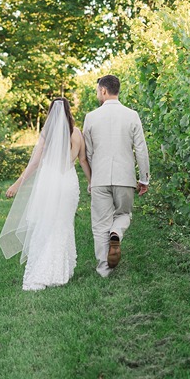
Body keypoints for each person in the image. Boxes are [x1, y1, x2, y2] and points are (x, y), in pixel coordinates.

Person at [0, 97, 91, 291]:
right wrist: (91, 182)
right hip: (68, 183)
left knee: (46, 224)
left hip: (49, 182)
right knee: (63, 224)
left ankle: (44, 272)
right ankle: (60, 271)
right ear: (68, 111)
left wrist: (17, 184)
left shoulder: (47, 134)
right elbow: (82, 160)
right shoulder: (77, 133)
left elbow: (35, 162)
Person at [82, 74, 150, 277]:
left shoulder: (91, 117)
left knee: (100, 223)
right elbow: (141, 149)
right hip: (125, 177)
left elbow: (88, 153)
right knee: (123, 214)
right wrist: (144, 178)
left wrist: (92, 179)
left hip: (100, 178)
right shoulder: (132, 115)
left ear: (103, 90)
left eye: (97, 91)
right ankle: (116, 233)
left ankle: (104, 269)